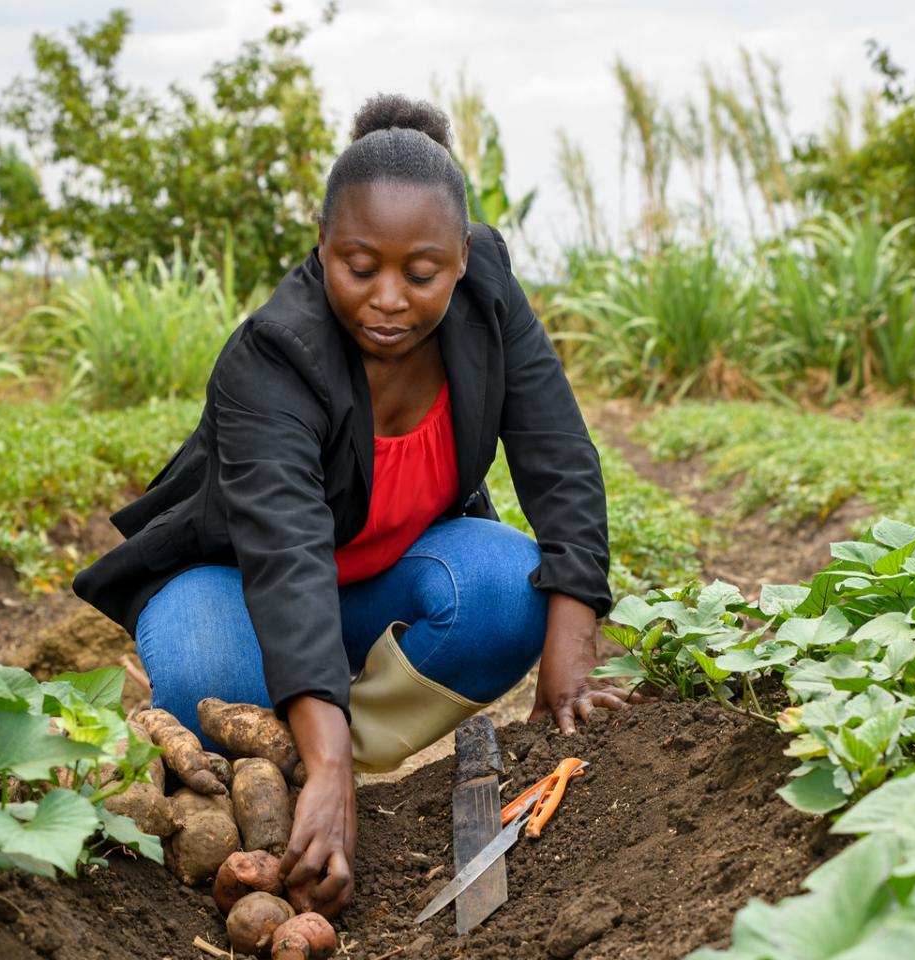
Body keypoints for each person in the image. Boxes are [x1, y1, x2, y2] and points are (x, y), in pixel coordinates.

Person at [72, 94, 636, 918]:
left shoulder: (488, 295)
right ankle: (310, 756)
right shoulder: (273, 354)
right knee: (210, 683)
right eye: (360, 267)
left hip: (381, 579)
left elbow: (558, 453)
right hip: (239, 580)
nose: (389, 298)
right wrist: (330, 767)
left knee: (510, 592)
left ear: (461, 256)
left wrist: (574, 647)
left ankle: (308, 755)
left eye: (422, 273)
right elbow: (286, 556)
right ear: (323, 242)